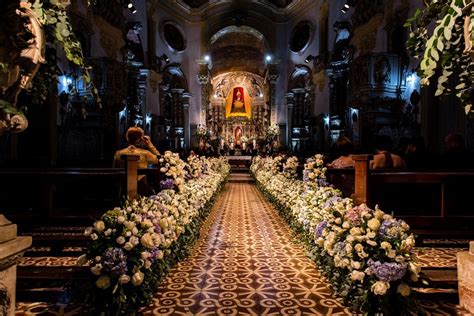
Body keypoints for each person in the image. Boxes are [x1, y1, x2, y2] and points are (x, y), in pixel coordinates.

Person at [113, 127, 160, 194]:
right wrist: (150, 145)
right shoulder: (145, 153)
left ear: (127, 138)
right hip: (142, 188)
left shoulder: (119, 153)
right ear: (141, 139)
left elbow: (114, 169)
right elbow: (160, 160)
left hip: (123, 189)